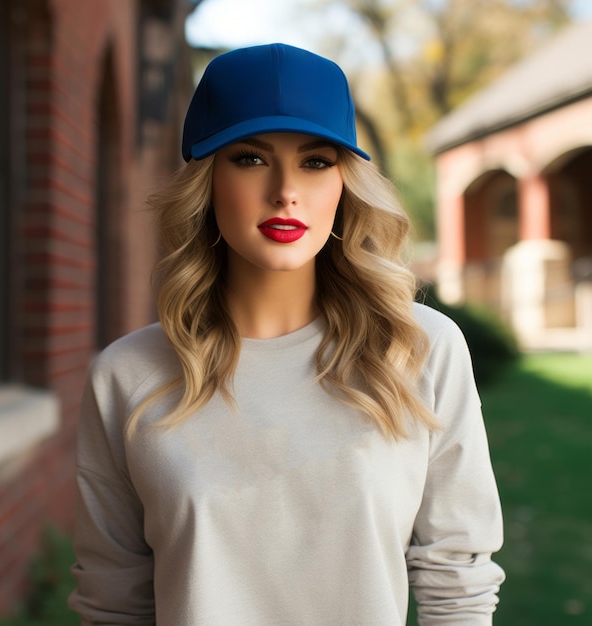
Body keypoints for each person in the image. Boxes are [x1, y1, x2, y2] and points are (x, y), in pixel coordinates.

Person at [69, 43, 505, 625]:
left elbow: (459, 579)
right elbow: (113, 602)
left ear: (347, 185)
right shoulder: (126, 376)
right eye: (250, 158)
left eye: (316, 161)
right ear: (206, 182)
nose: (285, 191)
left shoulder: (420, 349)